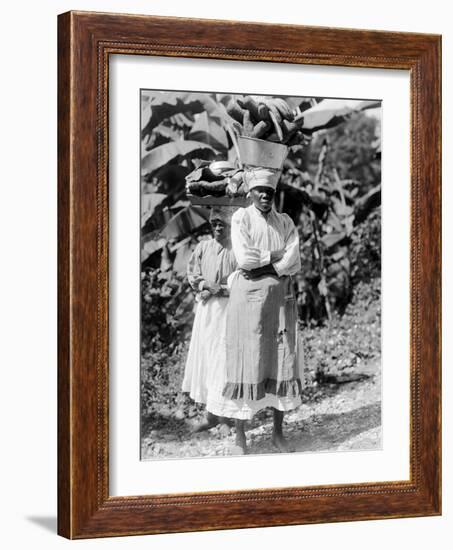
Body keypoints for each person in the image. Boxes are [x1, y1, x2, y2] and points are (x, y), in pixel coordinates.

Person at [222, 166, 304, 454]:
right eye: (260, 191)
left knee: (281, 358)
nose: (266, 196)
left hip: (280, 299)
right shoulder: (241, 218)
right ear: (250, 192)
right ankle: (240, 438)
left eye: (270, 191)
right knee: (246, 358)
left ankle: (278, 434)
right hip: (247, 301)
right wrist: (275, 257)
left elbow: (294, 260)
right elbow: (244, 258)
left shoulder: (285, 221)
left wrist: (268, 265)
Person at [182, 207, 238, 433]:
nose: (217, 228)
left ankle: (225, 418)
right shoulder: (203, 247)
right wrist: (206, 286)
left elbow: (244, 278)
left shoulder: (237, 249)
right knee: (207, 358)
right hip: (207, 311)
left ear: (230, 226)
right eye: (214, 224)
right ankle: (210, 416)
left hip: (228, 309)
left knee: (222, 360)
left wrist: (221, 289)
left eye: (222, 224)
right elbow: (193, 274)